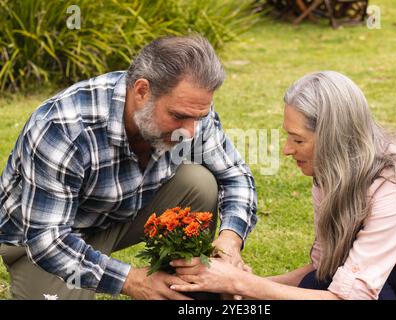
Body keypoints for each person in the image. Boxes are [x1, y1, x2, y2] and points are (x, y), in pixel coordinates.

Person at [0, 35, 257, 300]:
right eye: (179, 116)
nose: (190, 133)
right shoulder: (63, 127)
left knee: (200, 183)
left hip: (119, 212)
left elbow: (235, 175)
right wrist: (131, 280)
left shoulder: (191, 106)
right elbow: (46, 240)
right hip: (44, 238)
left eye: (198, 118)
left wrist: (230, 240)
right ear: (142, 91)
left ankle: (181, 278)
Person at [170, 71, 396, 300]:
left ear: (333, 139)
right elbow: (323, 269)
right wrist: (232, 283)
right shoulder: (331, 173)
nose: (287, 150)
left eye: (298, 140)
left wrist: (241, 284)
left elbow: (354, 296)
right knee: (314, 283)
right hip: (383, 276)